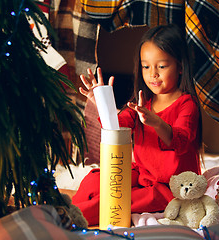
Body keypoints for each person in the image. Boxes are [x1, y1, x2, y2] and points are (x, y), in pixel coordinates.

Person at [72, 24, 203, 226]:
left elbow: (181, 140)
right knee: (94, 180)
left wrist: (157, 122)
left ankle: (69, 219)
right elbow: (116, 126)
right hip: (142, 174)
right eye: (146, 66)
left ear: (180, 67)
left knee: (118, 201)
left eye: (161, 66)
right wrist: (100, 101)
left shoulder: (187, 103)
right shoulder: (144, 102)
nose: (153, 74)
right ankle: (67, 207)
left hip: (170, 187)